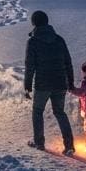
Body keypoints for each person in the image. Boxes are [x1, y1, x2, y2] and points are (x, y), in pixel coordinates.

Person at [24, 10, 75, 155]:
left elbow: (30, 65)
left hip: (43, 84)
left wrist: (27, 86)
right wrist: (70, 82)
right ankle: (69, 145)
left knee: (38, 111)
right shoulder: (59, 39)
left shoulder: (33, 41)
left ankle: (39, 142)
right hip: (60, 82)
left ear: (34, 23)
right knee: (60, 112)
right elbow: (68, 62)